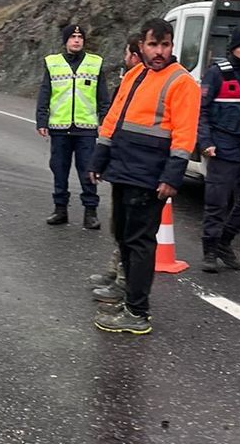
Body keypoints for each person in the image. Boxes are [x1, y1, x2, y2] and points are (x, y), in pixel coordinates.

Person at [88, 18, 200, 335]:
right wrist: (99, 159)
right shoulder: (135, 75)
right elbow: (113, 119)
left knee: (139, 242)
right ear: (142, 45)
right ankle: (127, 294)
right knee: (123, 235)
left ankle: (137, 312)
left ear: (172, 46)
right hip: (124, 168)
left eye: (165, 45)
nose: (159, 51)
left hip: (149, 174)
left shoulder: (182, 82)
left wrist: (172, 177)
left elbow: (184, 135)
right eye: (153, 44)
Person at [197, 26, 240, 273]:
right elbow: (202, 111)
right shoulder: (216, 74)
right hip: (223, 146)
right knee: (217, 202)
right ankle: (209, 250)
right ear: (233, 48)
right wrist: (205, 142)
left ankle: (224, 241)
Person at [36, 24, 111, 229]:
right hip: (59, 128)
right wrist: (41, 120)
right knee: (59, 170)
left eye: (80, 37)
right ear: (65, 41)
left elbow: (103, 97)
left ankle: (90, 212)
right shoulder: (53, 63)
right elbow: (45, 93)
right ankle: (60, 209)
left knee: (89, 171)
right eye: (72, 37)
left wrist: (104, 121)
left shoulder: (95, 63)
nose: (76, 40)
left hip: (86, 129)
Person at [88, 32, 142, 290]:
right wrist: (101, 160)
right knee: (119, 225)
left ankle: (124, 281)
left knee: (131, 229)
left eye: (126, 53)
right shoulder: (129, 81)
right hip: (122, 163)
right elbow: (112, 120)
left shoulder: (144, 84)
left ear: (134, 55)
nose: (125, 58)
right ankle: (115, 270)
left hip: (136, 166)